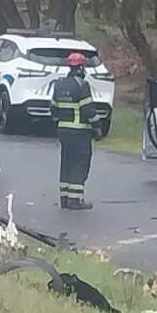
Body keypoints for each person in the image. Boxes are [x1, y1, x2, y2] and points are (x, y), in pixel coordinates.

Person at [52, 52, 98, 211]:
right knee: (80, 164)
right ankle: (75, 200)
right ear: (80, 67)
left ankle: (64, 198)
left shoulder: (59, 84)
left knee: (66, 163)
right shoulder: (82, 85)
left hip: (63, 132)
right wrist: (97, 127)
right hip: (80, 132)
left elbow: (53, 109)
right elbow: (88, 111)